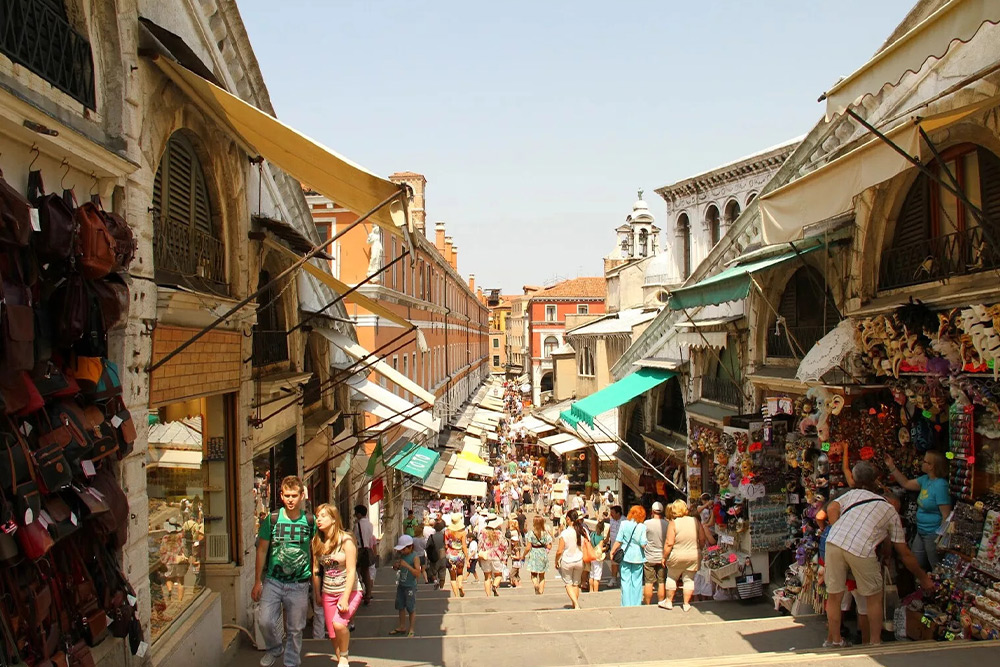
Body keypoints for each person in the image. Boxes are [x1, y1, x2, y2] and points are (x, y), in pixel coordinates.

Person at [823, 461, 935, 648]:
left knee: (834, 595)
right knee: (873, 597)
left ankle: (835, 641)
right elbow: (904, 553)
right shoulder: (889, 510)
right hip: (860, 548)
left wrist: (838, 528)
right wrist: (923, 578)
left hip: (834, 541)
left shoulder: (855, 494)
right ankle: (875, 643)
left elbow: (831, 507)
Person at [253, 476, 316, 667]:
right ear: (281, 495)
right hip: (273, 580)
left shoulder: (309, 521)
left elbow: (316, 551)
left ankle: (291, 663)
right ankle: (274, 648)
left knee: (295, 629)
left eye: (294, 495)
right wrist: (257, 581)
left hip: (299, 584)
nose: (290, 499)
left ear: (302, 496)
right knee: (265, 621)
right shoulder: (272, 520)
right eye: (287, 495)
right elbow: (262, 550)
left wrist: (318, 581)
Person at [311, 504, 360, 667]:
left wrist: (345, 598)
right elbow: (316, 569)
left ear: (333, 519)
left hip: (349, 591)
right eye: (317, 516)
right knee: (332, 634)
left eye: (323, 516)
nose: (319, 519)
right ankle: (341, 661)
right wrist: (317, 593)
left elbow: (351, 570)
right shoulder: (317, 541)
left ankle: (344, 656)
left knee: (339, 624)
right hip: (328, 592)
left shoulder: (346, 540)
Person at [885, 452, 951, 570]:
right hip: (921, 530)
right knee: (916, 565)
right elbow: (906, 483)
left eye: (925, 461)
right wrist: (891, 467)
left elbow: (946, 515)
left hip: (933, 533)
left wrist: (941, 538)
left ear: (931, 466)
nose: (921, 463)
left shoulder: (941, 486)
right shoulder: (926, 480)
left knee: (936, 566)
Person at [660, 499, 706, 611]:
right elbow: (702, 539)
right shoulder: (695, 521)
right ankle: (686, 604)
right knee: (689, 579)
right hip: (693, 555)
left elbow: (669, 543)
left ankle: (669, 601)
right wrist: (699, 549)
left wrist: (664, 557)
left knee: (671, 577)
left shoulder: (673, 523)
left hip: (677, 555)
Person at [610, 505, 648, 607]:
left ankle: (625, 604)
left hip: (625, 555)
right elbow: (643, 542)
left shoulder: (624, 524)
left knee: (625, 581)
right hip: (638, 557)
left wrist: (612, 551)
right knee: (637, 581)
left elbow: (619, 540)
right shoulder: (642, 527)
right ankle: (636, 603)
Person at [390, 535, 421, 637]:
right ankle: (402, 626)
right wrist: (396, 566)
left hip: (410, 586)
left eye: (404, 549)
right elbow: (399, 567)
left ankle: (411, 628)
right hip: (401, 584)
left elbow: (417, 573)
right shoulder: (402, 556)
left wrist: (407, 566)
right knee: (400, 606)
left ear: (410, 547)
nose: (402, 552)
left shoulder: (415, 557)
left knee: (411, 607)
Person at [555, 509, 586, 609]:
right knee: (576, 584)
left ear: (568, 519)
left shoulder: (565, 533)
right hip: (579, 560)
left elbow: (559, 550)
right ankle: (574, 603)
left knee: (568, 584)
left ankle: (576, 604)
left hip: (567, 560)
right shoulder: (582, 531)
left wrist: (556, 561)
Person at [643, 501, 669, 605]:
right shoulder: (666, 524)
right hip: (662, 557)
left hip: (649, 556)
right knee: (661, 581)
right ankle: (661, 601)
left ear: (652, 511)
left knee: (648, 582)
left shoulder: (646, 523)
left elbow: (642, 539)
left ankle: (648, 603)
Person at [478, 515, 507, 596]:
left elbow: (480, 545)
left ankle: (488, 595)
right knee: (498, 575)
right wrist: (504, 557)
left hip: (485, 556)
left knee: (487, 577)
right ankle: (494, 586)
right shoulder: (499, 533)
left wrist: (479, 556)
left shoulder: (483, 533)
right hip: (496, 556)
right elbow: (504, 545)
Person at [523, 515, 552, 595]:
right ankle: (541, 592)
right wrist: (546, 549)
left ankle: (536, 584)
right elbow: (549, 545)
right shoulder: (546, 534)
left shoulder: (531, 533)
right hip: (542, 553)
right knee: (542, 575)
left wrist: (523, 555)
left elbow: (528, 547)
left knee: (533, 574)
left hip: (534, 553)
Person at [353, 505, 375, 605]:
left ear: (359, 514)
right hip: (368, 549)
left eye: (356, 513)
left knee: (358, 572)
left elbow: (354, 538)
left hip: (359, 550)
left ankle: (360, 592)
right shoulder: (370, 524)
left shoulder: (357, 525)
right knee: (366, 572)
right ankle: (368, 593)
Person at [443, 513, 469, 597]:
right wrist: (467, 558)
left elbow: (446, 545)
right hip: (459, 555)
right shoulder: (463, 533)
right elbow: (464, 546)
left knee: (452, 577)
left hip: (450, 554)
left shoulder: (447, 532)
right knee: (460, 573)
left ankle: (456, 595)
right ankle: (460, 584)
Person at [427, 520, 448, 589]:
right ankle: (441, 587)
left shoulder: (432, 536)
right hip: (443, 555)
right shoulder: (444, 536)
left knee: (433, 571)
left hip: (434, 555)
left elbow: (427, 546)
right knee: (442, 572)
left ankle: (436, 581)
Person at [588, 519, 606, 593]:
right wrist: (606, 548)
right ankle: (596, 591)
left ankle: (591, 590)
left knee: (591, 575)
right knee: (597, 576)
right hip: (597, 557)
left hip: (591, 555)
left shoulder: (592, 534)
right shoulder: (601, 538)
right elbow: (600, 549)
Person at [607, 506, 623, 587]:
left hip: (621, 547)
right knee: (613, 562)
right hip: (613, 544)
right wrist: (607, 539)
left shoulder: (624, 521)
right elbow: (610, 529)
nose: (611, 514)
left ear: (618, 513)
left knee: (621, 563)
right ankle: (613, 579)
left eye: (612, 513)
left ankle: (622, 579)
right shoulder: (611, 520)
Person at [506, 518, 523, 588]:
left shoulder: (516, 548)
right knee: (516, 575)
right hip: (515, 563)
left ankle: (516, 584)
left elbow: (518, 557)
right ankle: (518, 584)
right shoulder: (514, 547)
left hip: (516, 563)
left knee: (511, 574)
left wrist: (512, 556)